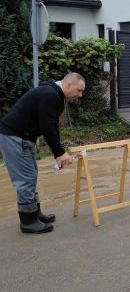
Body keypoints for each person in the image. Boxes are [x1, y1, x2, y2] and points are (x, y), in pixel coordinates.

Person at [0, 72, 85, 233]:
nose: (80, 95)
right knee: (25, 179)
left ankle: (35, 213)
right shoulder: (50, 95)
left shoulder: (55, 95)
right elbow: (46, 127)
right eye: (79, 90)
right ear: (68, 85)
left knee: (31, 174)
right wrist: (59, 153)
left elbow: (53, 125)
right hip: (14, 137)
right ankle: (28, 222)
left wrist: (57, 153)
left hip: (22, 138)